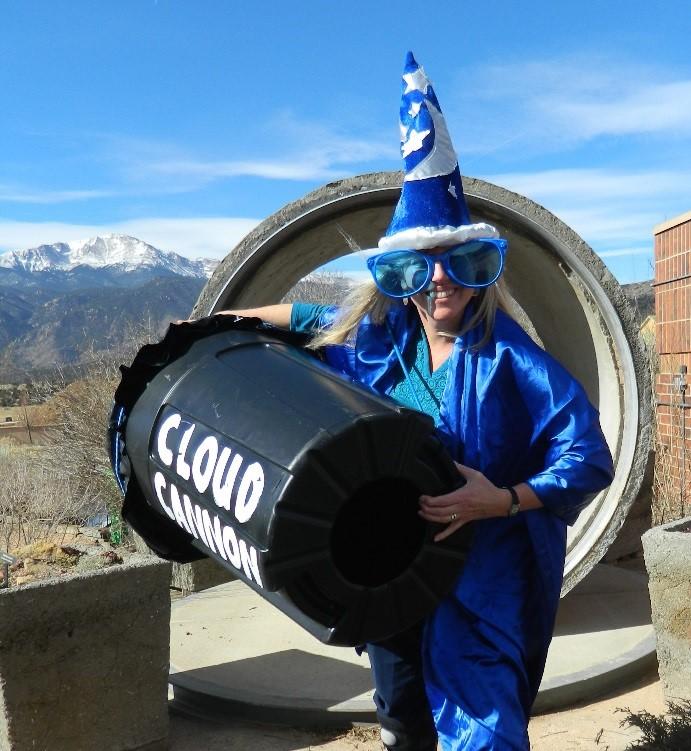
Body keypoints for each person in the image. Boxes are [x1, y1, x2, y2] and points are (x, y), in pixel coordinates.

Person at [210, 52, 614, 751]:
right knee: (401, 717)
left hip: (480, 584)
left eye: (457, 264)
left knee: (485, 729)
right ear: (393, 276)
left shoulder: (512, 360)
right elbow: (311, 322)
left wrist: (505, 498)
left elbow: (587, 454)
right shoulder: (375, 347)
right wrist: (215, 326)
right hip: (390, 571)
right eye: (415, 268)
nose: (438, 284)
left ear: (479, 269)